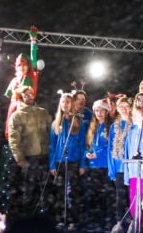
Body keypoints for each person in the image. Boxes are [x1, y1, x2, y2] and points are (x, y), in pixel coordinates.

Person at [7, 86, 52, 218]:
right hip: (29, 158)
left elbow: (52, 132)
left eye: (30, 94)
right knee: (30, 190)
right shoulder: (17, 115)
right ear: (21, 97)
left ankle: (46, 219)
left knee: (46, 189)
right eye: (25, 95)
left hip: (44, 156)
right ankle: (29, 219)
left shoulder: (43, 112)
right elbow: (13, 138)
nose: (29, 96)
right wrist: (20, 158)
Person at [49, 91, 86, 231]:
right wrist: (52, 164)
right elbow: (52, 146)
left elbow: (82, 145)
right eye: (63, 102)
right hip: (59, 161)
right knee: (59, 192)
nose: (65, 104)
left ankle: (73, 220)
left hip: (73, 161)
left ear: (72, 104)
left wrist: (82, 164)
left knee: (71, 192)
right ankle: (61, 219)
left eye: (68, 102)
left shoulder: (78, 123)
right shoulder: (55, 123)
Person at [83, 99, 115, 230]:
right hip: (93, 166)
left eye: (102, 110)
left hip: (105, 166)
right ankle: (94, 221)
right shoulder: (92, 127)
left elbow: (111, 146)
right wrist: (87, 153)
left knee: (106, 195)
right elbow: (87, 146)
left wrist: (99, 154)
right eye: (96, 110)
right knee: (93, 194)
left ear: (107, 112)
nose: (99, 113)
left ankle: (108, 220)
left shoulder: (110, 127)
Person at [4, 26, 40, 139]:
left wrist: (33, 40)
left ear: (28, 65)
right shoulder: (14, 81)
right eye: (19, 65)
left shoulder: (31, 76)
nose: (22, 67)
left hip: (26, 108)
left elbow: (34, 58)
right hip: (14, 109)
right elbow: (8, 96)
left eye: (24, 64)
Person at [124, 93, 143, 231]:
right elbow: (127, 152)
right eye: (138, 101)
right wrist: (127, 174)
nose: (141, 103)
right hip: (134, 171)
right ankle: (136, 223)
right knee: (134, 199)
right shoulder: (133, 130)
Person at [107, 96, 133, 230]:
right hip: (118, 167)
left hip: (131, 167)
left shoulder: (135, 124)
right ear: (117, 109)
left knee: (132, 195)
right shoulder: (113, 126)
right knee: (120, 196)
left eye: (126, 106)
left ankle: (133, 220)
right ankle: (119, 222)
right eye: (120, 107)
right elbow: (110, 148)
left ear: (130, 108)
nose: (123, 109)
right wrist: (111, 169)